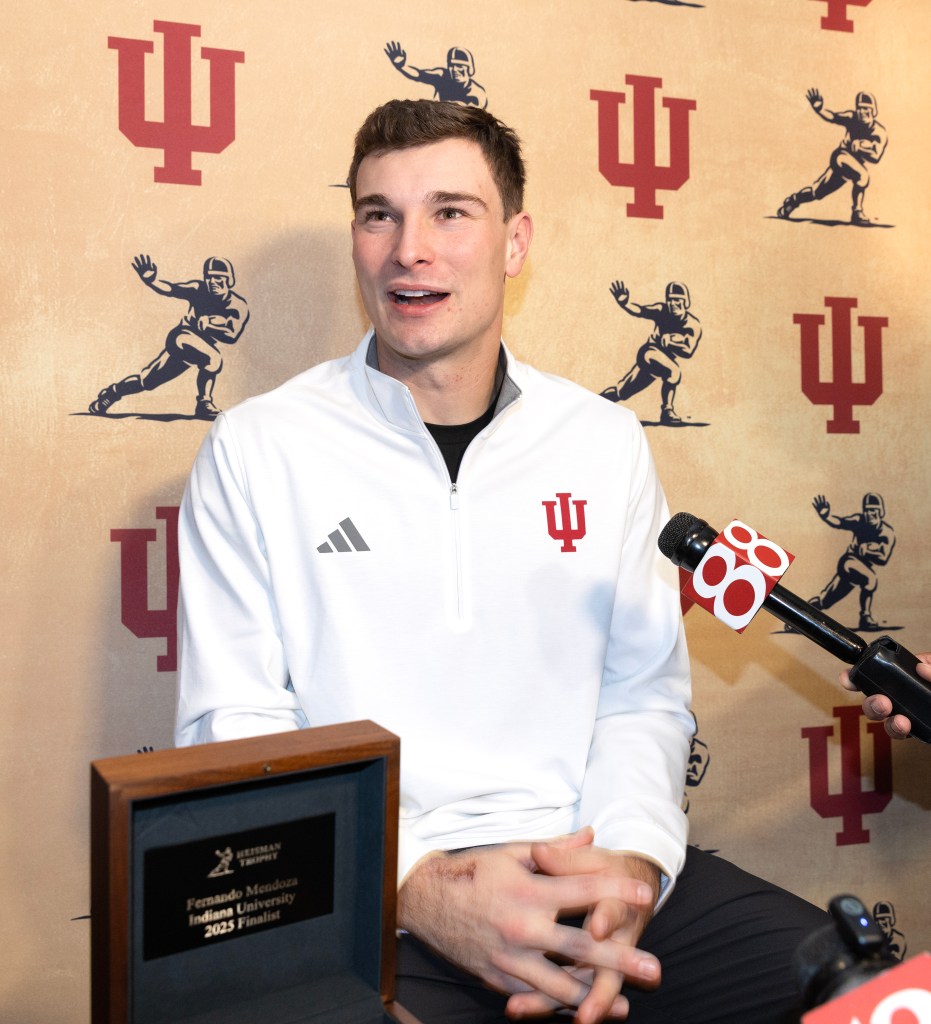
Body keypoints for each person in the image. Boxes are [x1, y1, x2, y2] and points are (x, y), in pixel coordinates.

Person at [176, 99, 858, 1023]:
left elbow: (641, 695)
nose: (410, 249)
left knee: (860, 992)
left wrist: (627, 871)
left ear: (515, 243)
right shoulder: (257, 447)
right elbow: (235, 728)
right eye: (379, 215)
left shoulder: (602, 440)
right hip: (372, 889)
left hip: (588, 860)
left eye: (450, 213)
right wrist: (415, 886)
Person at [89, 254, 249, 420]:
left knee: (147, 381)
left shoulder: (238, 305)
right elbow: (172, 289)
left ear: (229, 280)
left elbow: (232, 335)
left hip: (199, 349)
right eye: (209, 277)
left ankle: (112, 393)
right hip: (182, 338)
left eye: (218, 278)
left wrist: (210, 325)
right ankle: (204, 403)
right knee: (213, 359)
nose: (213, 282)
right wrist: (152, 281)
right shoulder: (198, 289)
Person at [777, 89, 887, 226]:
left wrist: (861, 148)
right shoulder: (851, 118)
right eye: (859, 108)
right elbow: (834, 117)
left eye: (866, 108)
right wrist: (819, 109)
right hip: (841, 157)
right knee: (862, 176)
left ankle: (793, 201)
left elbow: (876, 157)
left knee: (817, 192)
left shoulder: (879, 132)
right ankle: (857, 212)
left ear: (873, 111)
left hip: (851, 167)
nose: (862, 112)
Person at [600, 280, 701, 425]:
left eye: (677, 300)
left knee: (621, 392)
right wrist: (625, 304)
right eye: (670, 300)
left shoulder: (692, 325)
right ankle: (667, 411)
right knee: (674, 372)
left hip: (662, 362)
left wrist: (671, 342)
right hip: (649, 353)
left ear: (686, 302)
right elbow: (641, 311)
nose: (673, 303)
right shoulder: (661, 310)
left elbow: (688, 351)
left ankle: (594, 403)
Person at [810, 492, 895, 631]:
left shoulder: (887, 533)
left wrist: (867, 551)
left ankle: (799, 616)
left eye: (874, 510)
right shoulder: (859, 520)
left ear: (881, 511)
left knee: (824, 601)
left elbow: (883, 558)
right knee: (870, 579)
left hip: (861, 569)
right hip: (849, 563)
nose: (870, 513)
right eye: (867, 510)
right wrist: (826, 516)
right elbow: (840, 522)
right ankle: (865, 617)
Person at [385, 41, 488, 108]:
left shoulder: (478, 93)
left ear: (470, 69)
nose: (455, 70)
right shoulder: (441, 76)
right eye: (452, 66)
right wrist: (402, 66)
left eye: (459, 66)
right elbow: (418, 74)